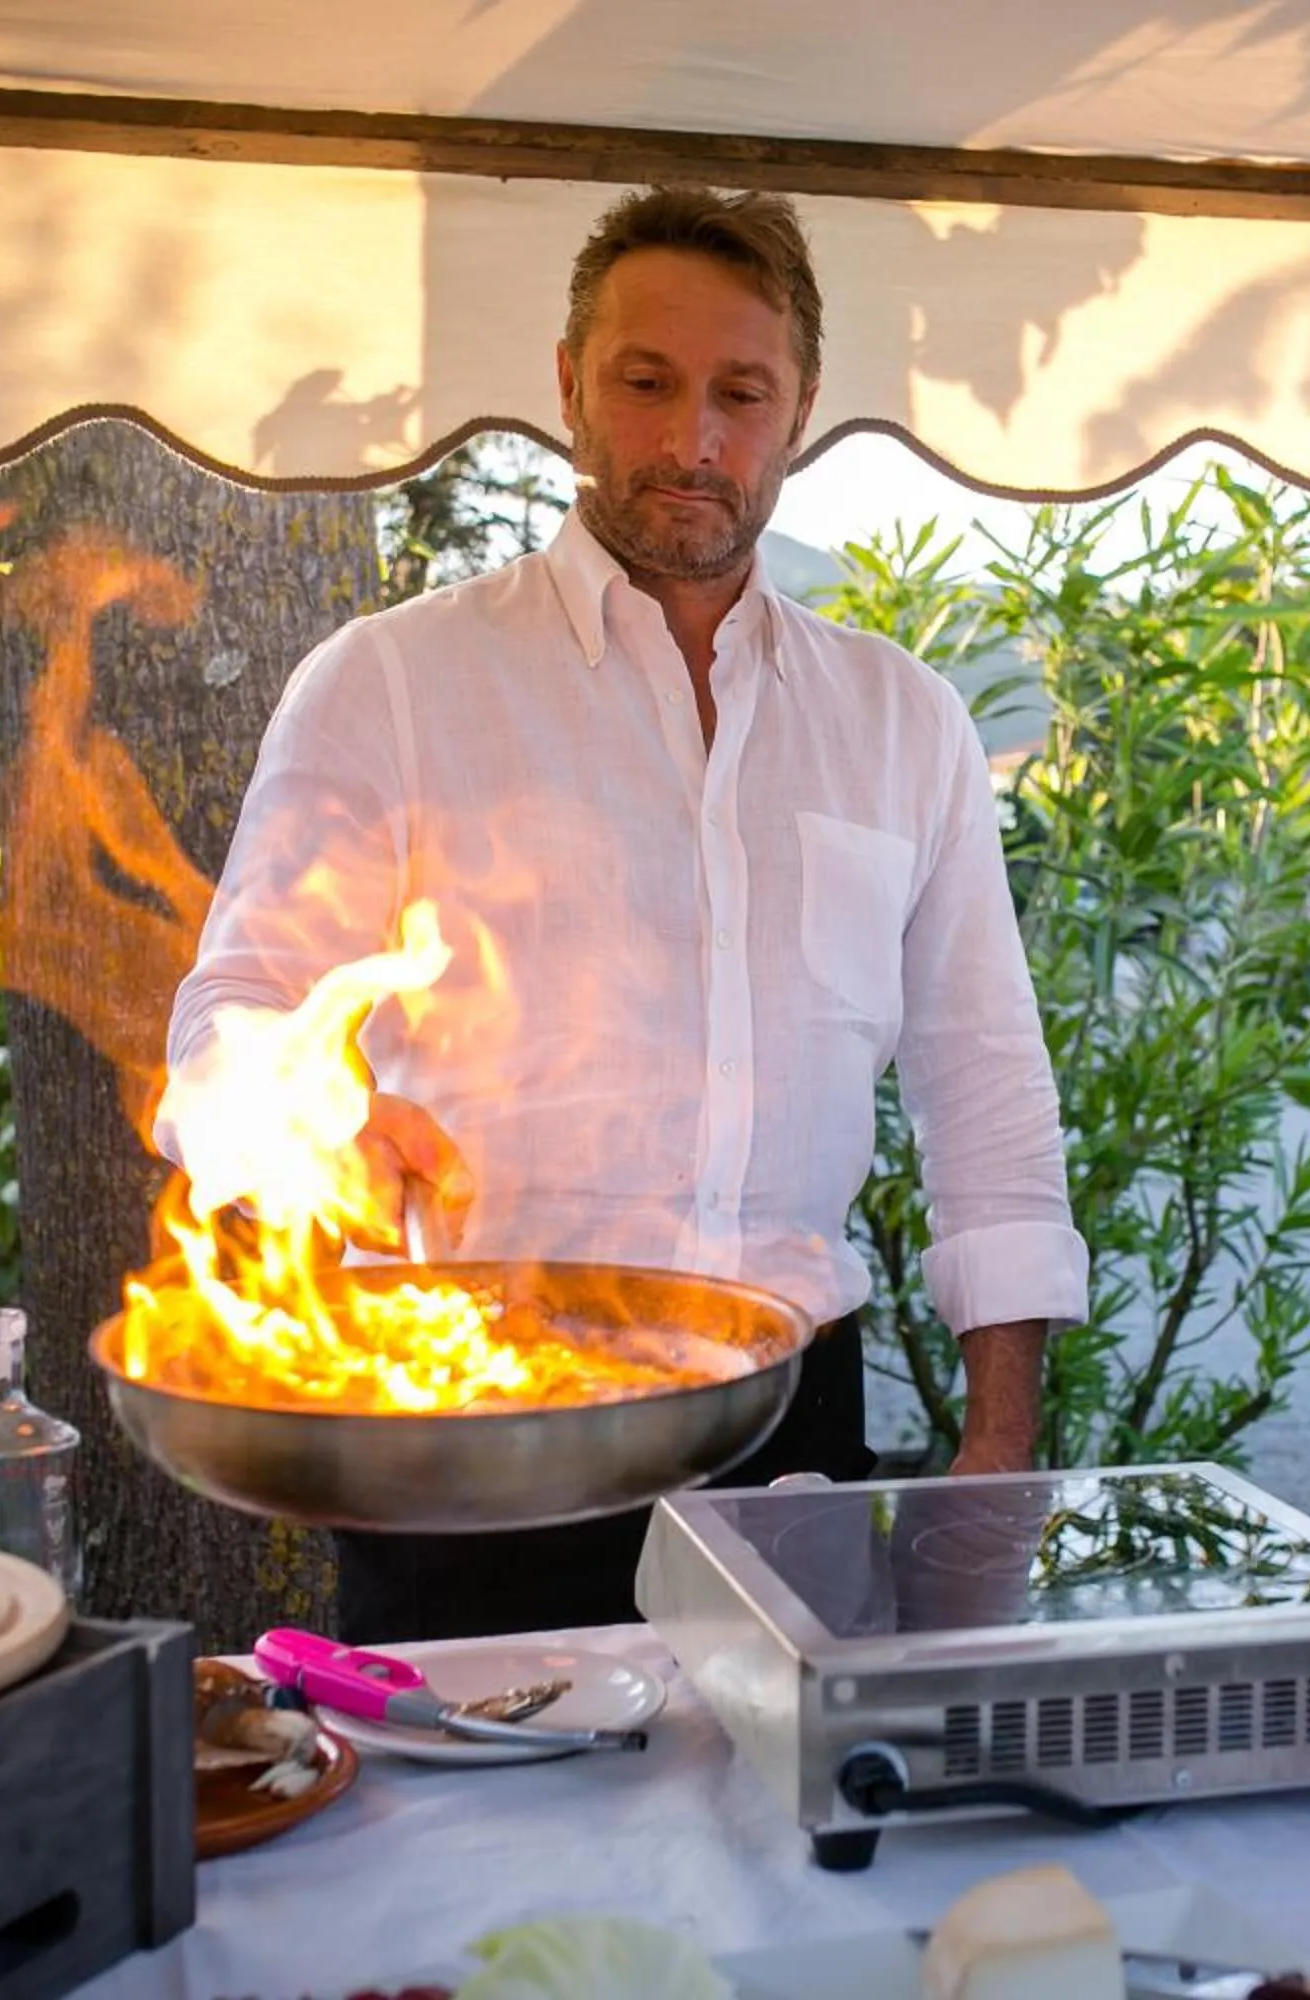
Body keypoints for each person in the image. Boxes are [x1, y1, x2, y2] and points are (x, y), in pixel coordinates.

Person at [163, 186, 1088, 1640]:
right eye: (645, 383)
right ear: (569, 389)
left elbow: (988, 1099)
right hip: (478, 1435)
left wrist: (995, 1454)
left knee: (783, 1856)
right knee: (462, 1860)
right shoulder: (390, 683)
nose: (691, 443)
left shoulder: (903, 721)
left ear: (800, 411)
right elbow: (226, 1028)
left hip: (792, 1430)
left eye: (741, 392)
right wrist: (312, 1122)